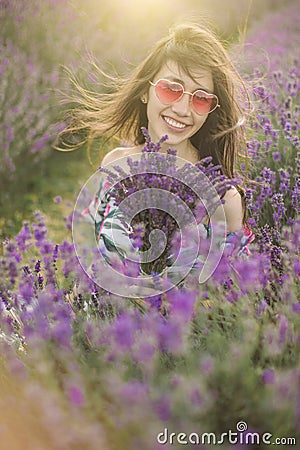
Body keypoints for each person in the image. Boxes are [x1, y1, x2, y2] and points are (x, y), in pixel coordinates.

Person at [57, 22, 255, 290]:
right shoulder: (115, 165)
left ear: (211, 110)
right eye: (171, 89)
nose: (183, 109)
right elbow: (88, 263)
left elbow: (235, 296)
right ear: (144, 91)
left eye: (200, 99)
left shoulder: (223, 199)